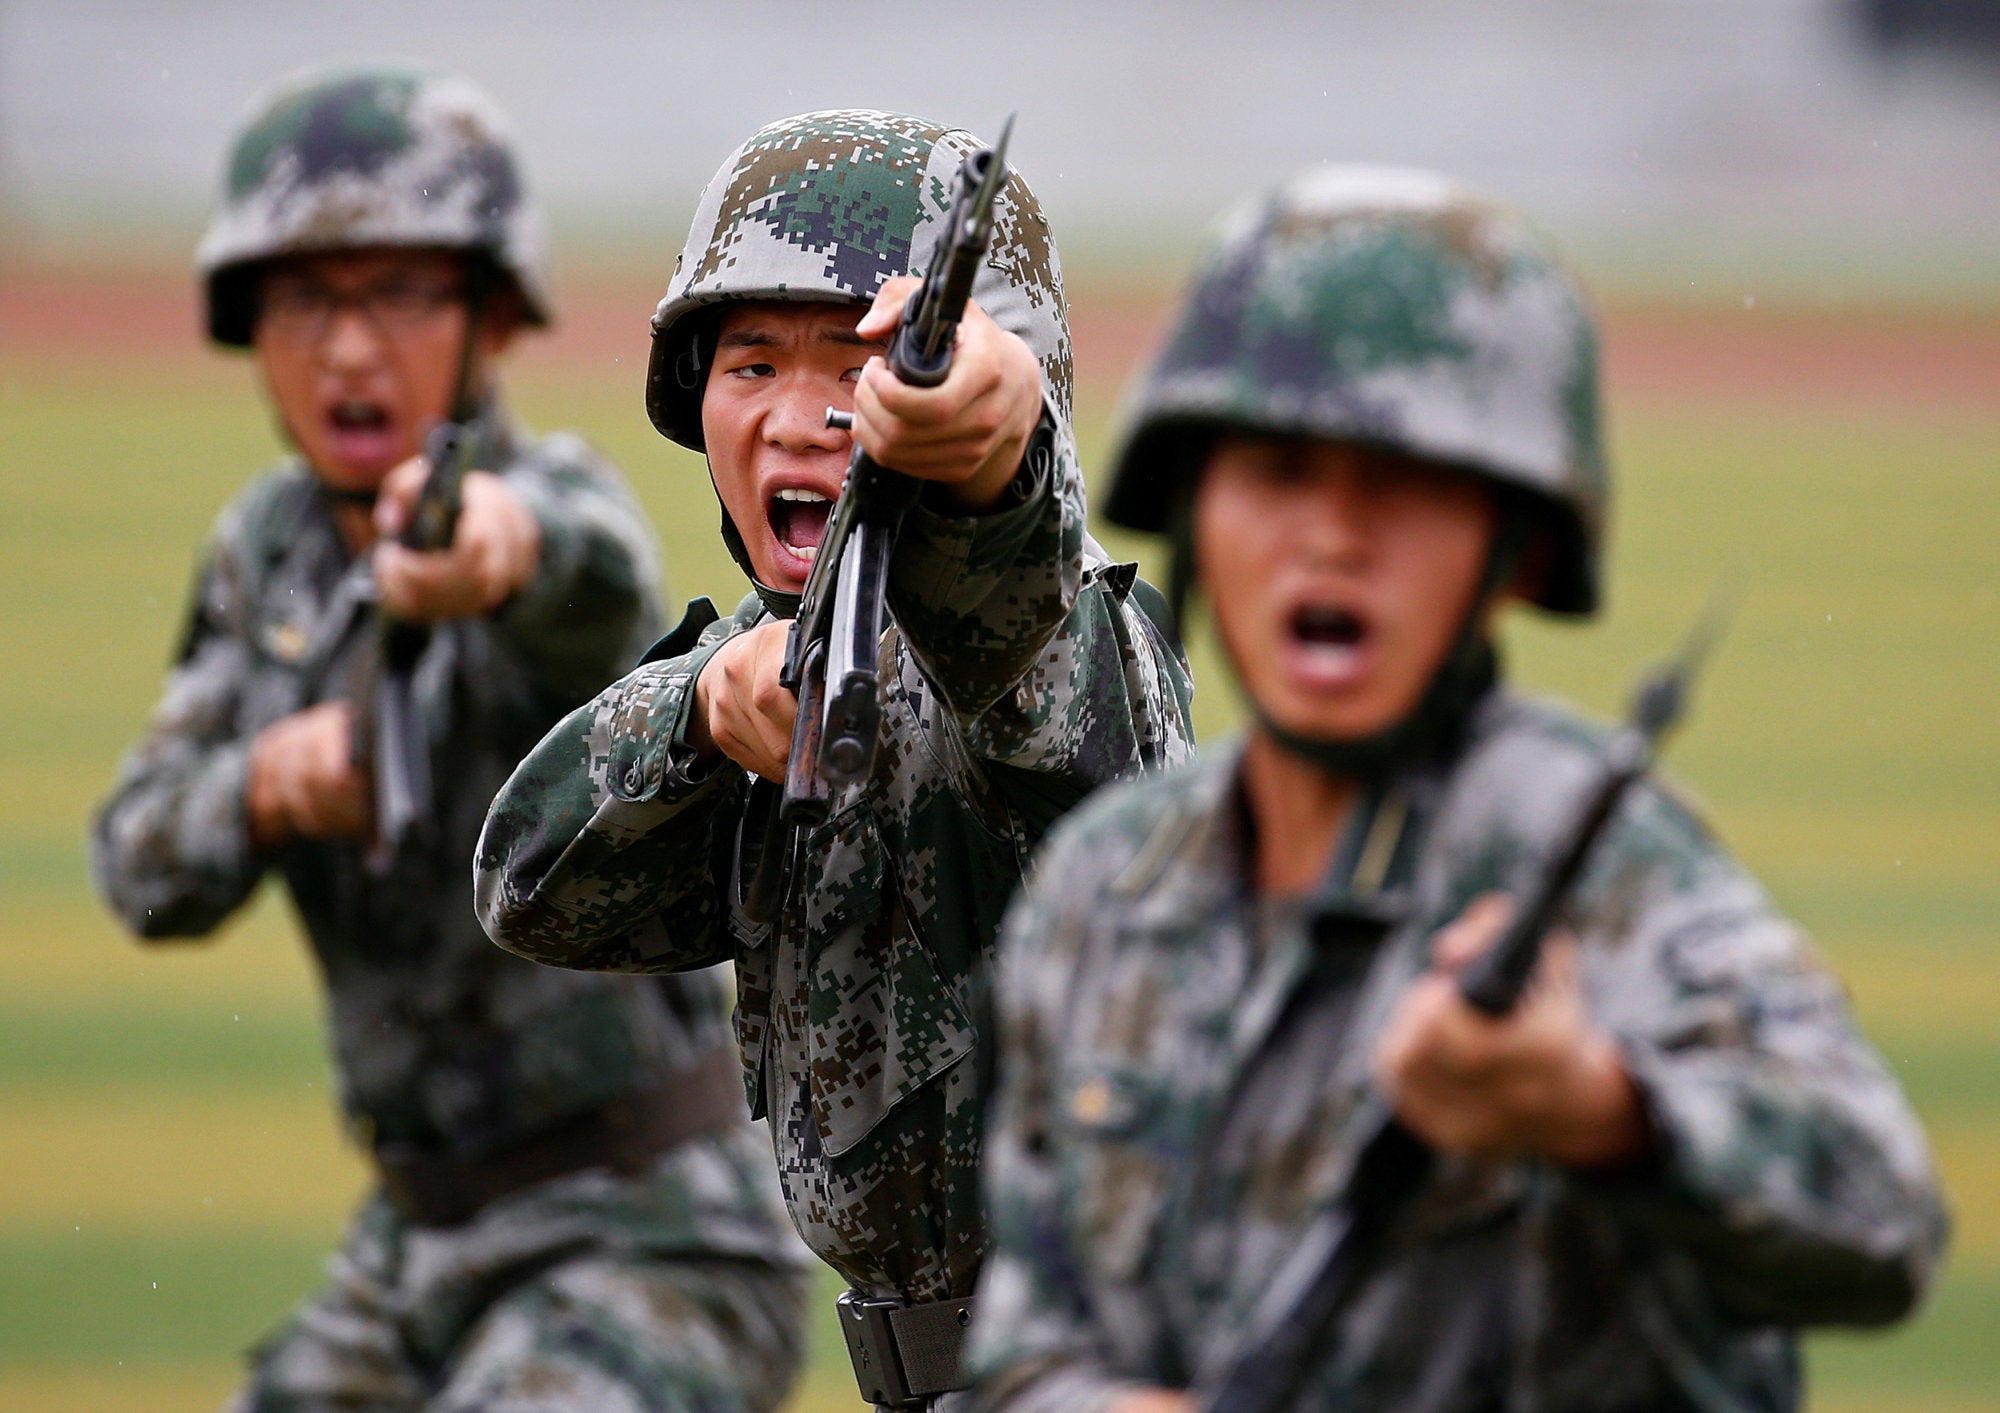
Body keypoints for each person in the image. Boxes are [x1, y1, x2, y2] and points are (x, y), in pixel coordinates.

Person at [962, 167, 1949, 1413]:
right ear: (1192, 515)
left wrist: (1599, 1110)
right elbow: (1022, 1340)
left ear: (1516, 550)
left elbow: (1879, 1219)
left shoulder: (1596, 862)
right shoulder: (1103, 888)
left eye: (1404, 480)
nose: (1332, 534)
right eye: (1276, 471)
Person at [91, 64, 809, 1413]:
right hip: (412, 1245)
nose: (350, 349)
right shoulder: (265, 558)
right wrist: (263, 785)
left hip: (650, 1237)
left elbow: (586, 573)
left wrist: (490, 552)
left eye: (404, 295)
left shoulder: (553, 501)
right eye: (305, 302)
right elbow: (139, 862)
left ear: (495, 315)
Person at [475, 110, 1195, 1406]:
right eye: (750, 364)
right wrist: (698, 715)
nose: (802, 416)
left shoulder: (1064, 637)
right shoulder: (762, 663)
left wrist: (990, 461)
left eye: (856, 364)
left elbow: (1019, 614)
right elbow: (530, 887)